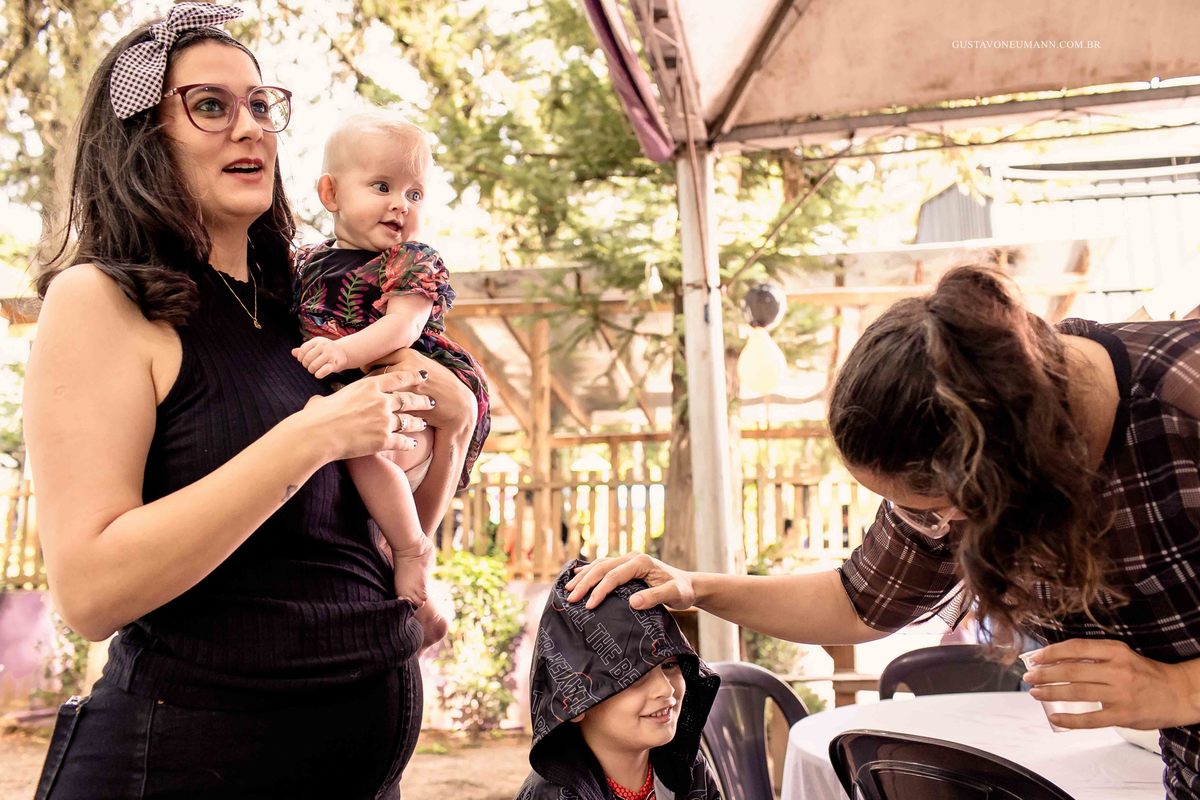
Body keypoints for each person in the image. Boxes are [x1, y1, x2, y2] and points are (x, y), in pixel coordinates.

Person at [25, 4, 477, 798]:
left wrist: (411, 548)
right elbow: (91, 591)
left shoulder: (305, 307)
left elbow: (351, 517)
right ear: (142, 137)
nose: (251, 127)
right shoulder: (102, 299)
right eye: (211, 106)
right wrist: (311, 436)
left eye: (262, 104)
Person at [569, 265, 1200, 798]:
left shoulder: (1182, 402)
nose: (940, 527)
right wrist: (695, 587)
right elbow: (857, 602)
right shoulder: (960, 461)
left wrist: (1177, 689)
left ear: (1004, 458)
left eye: (946, 507)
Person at [292, 112, 491, 647]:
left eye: (415, 192)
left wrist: (340, 352)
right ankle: (395, 570)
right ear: (330, 192)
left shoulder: (409, 260)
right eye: (382, 186)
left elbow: (402, 325)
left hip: (415, 402)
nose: (401, 203)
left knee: (361, 444)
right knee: (350, 444)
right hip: (363, 396)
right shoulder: (305, 262)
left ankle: (412, 549)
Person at [517, 561, 722, 800]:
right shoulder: (552, 795)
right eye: (635, 675)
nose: (665, 689)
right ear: (573, 701)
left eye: (669, 665)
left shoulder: (687, 769)